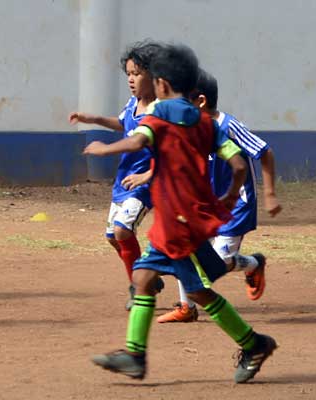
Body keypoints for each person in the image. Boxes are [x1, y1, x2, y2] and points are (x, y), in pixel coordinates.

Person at [84, 43, 277, 383]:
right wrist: (230, 198)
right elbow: (237, 165)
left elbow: (136, 142)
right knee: (178, 286)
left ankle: (139, 355)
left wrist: (102, 148)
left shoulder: (158, 118)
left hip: (176, 224)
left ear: (160, 84)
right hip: (192, 220)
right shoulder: (208, 124)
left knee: (158, 281)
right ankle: (249, 343)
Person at [156, 69, 282, 323]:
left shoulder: (229, 126)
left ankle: (253, 264)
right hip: (203, 203)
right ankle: (186, 307)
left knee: (217, 262)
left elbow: (265, 152)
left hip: (236, 206)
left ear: (200, 101)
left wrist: (269, 193)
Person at [68, 40, 164, 310]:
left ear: (155, 75)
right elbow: (122, 123)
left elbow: (170, 153)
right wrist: (93, 119)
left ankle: (139, 288)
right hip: (125, 180)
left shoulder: (162, 111)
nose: (131, 80)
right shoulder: (134, 103)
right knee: (113, 236)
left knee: (122, 231)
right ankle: (148, 276)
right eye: (129, 74)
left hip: (145, 183)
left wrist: (148, 174)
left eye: (137, 74)